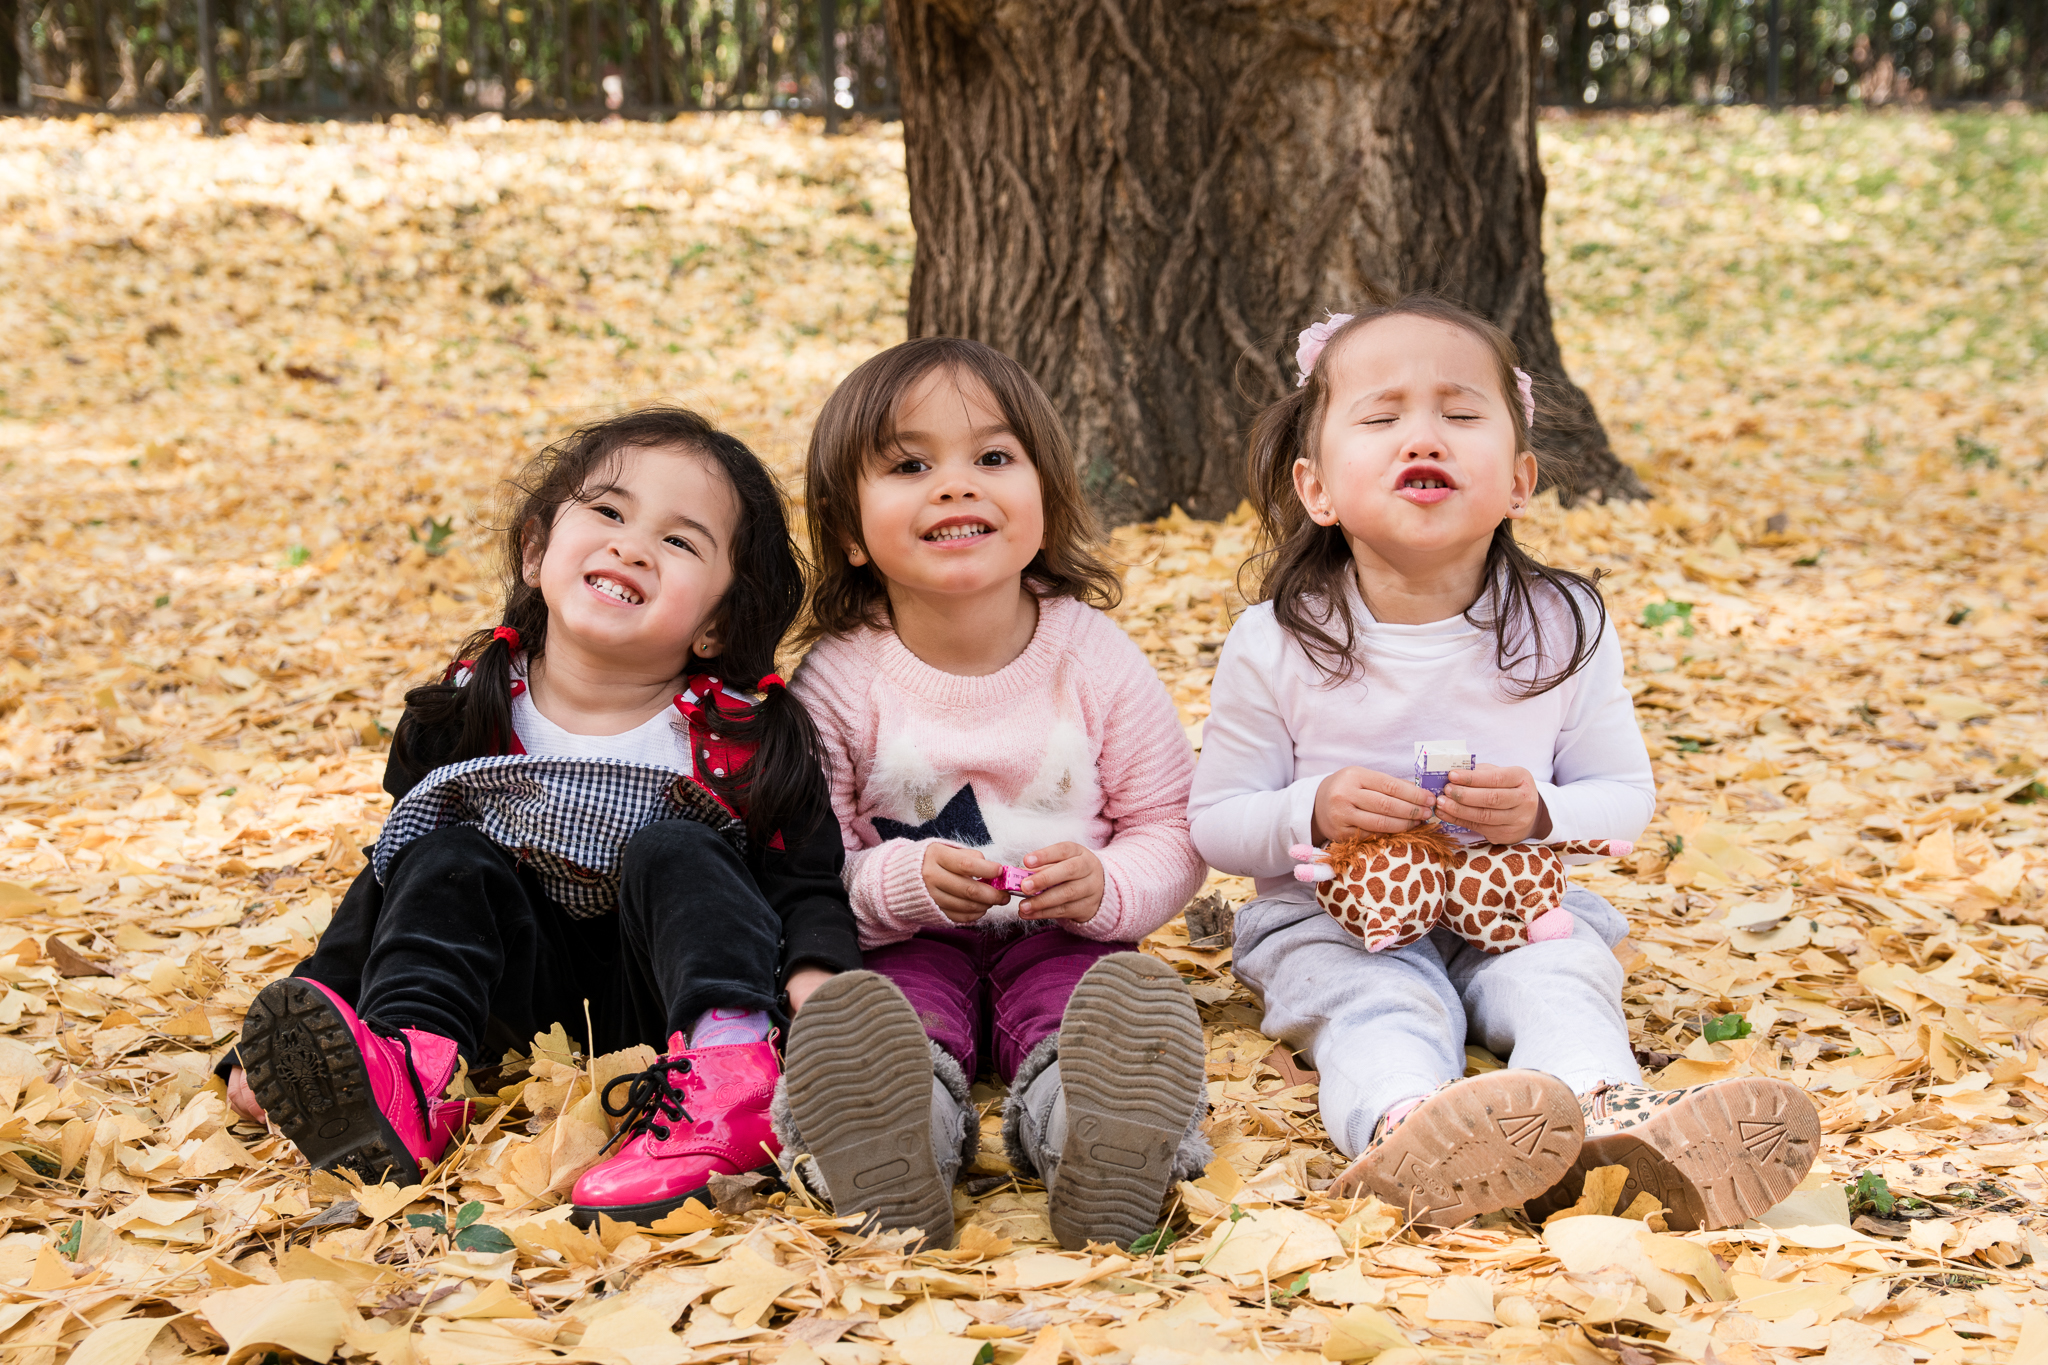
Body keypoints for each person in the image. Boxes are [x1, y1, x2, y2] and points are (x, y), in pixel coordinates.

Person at [1189, 296, 1819, 1231]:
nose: (1423, 435)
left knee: (1560, 978)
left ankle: (1615, 1123)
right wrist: (1313, 807)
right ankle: (1412, 1127)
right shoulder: (1279, 640)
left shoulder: (1562, 624)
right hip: (1333, 921)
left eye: (1460, 411)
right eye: (1381, 414)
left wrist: (1539, 814)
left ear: (1519, 478)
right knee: (1378, 1006)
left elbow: (1623, 798)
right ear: (1316, 487)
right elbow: (1218, 820)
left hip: (1514, 903)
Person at [228, 407, 859, 1228]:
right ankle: (406, 1071)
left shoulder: (741, 737)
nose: (631, 545)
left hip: (658, 996)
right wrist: (313, 994)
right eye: (608, 511)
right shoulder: (464, 715)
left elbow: (803, 884)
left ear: (716, 624)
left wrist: (822, 984)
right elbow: (388, 881)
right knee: (443, 855)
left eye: (680, 541)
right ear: (536, 551)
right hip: (504, 1000)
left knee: (680, 846)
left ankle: (726, 1076)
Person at [780, 338, 1210, 1250]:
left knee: (1087, 1024)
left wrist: (1108, 886)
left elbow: (1171, 823)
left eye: (993, 457)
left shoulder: (1088, 655)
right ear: (850, 528)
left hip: (1064, 934)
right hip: (901, 945)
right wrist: (902, 882)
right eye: (909, 464)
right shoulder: (844, 678)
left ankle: (1097, 1141)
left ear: (1044, 503)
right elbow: (807, 869)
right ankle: (894, 1147)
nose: (955, 485)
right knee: (887, 1036)